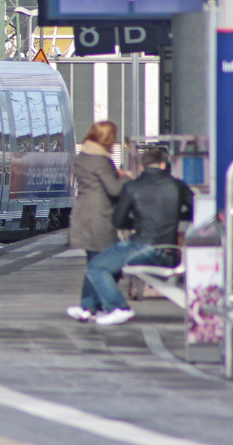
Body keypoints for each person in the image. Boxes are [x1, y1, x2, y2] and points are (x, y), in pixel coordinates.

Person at [82, 147, 194, 326]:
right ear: (163, 164)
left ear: (142, 167)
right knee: (111, 262)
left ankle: (117, 308)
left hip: (141, 247)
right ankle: (101, 306)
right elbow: (197, 209)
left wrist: (136, 224)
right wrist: (178, 217)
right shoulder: (178, 185)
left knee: (96, 267)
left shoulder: (132, 187)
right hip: (170, 252)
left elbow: (117, 221)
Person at [66, 121, 131, 322]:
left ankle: (89, 307)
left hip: (83, 213)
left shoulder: (81, 158)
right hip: (100, 216)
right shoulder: (102, 161)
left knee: (95, 261)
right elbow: (115, 190)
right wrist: (125, 177)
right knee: (107, 263)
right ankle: (110, 305)